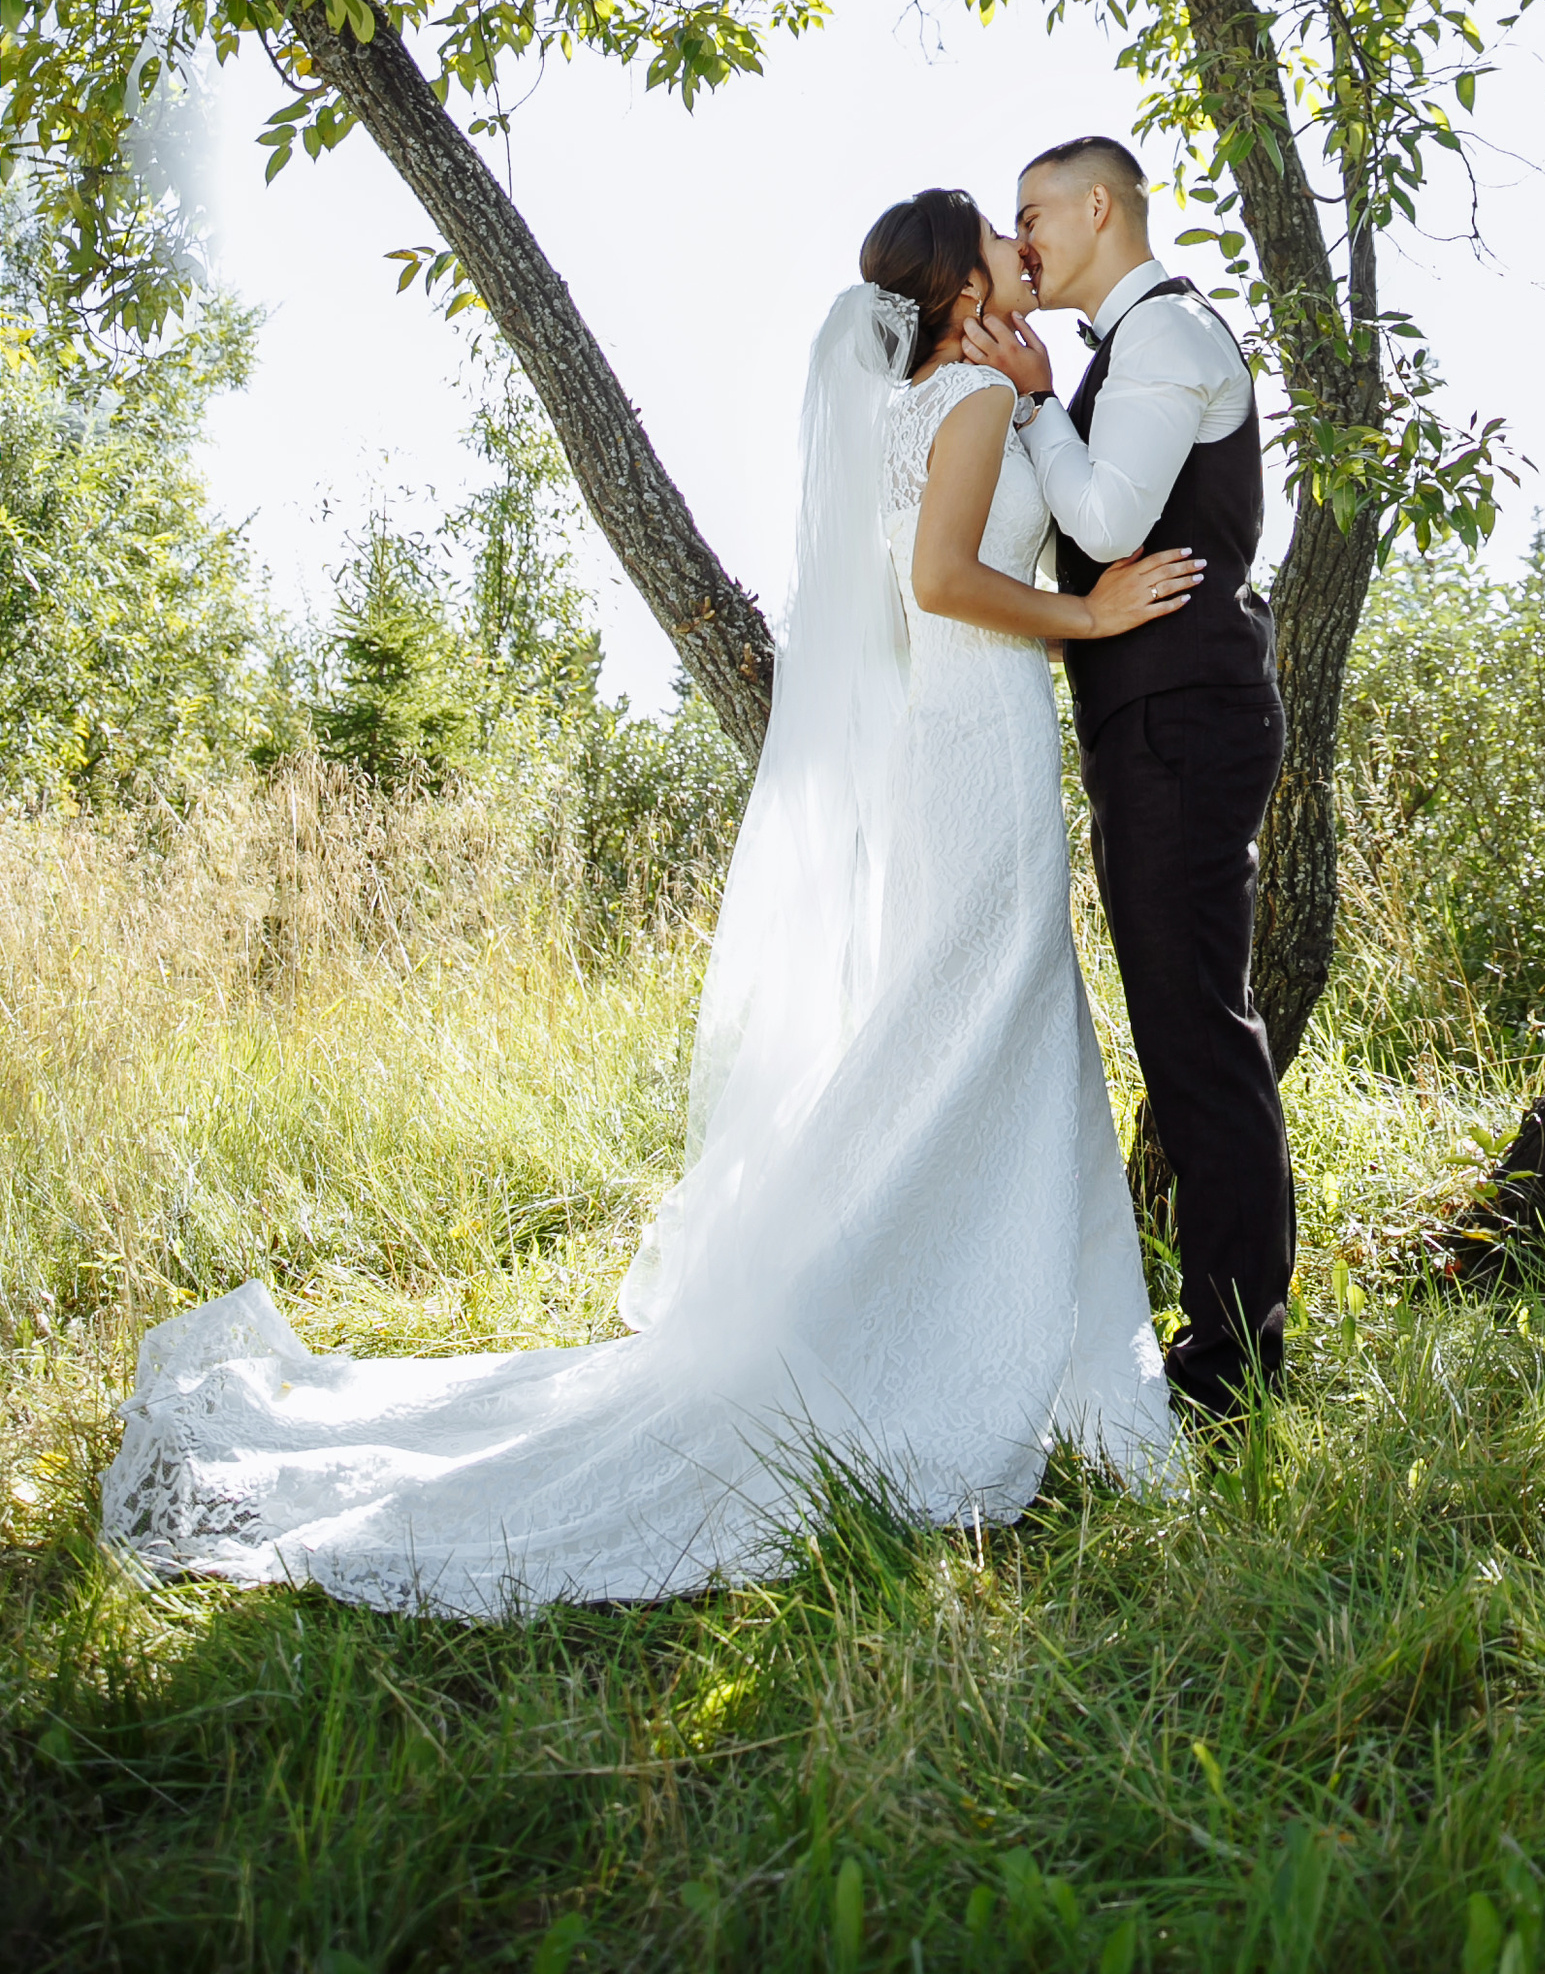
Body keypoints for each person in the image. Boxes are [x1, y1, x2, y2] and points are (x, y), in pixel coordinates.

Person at [101, 191, 1193, 1613]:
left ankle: (967, 1323)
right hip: (979, 747)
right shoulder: (972, 400)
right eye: (994, 233)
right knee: (989, 1021)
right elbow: (942, 581)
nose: (1013, 244)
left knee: (964, 1026)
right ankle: (952, 1344)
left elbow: (922, 580)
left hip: (946, 742)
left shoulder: (913, 408)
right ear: (958, 284)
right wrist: (1091, 615)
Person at [963, 133, 1295, 1420]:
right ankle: (1226, 1337)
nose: (1022, 239)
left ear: (1099, 207)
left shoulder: (1166, 337)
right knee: (1183, 1024)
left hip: (1183, 722)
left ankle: (1234, 1367)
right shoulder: (1133, 345)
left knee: (1198, 1031)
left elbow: (1104, 523)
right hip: (1152, 722)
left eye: (1034, 214)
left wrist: (1036, 403)